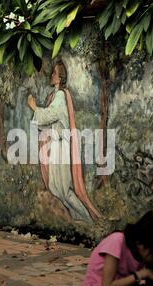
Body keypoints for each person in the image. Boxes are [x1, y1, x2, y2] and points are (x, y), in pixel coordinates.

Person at [27, 60, 101, 223]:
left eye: (54, 73)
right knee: (56, 189)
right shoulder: (54, 96)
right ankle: (77, 220)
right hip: (56, 145)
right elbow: (46, 122)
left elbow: (49, 115)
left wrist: (34, 107)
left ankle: (87, 220)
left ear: (60, 78)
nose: (51, 76)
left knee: (63, 190)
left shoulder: (60, 95)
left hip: (61, 145)